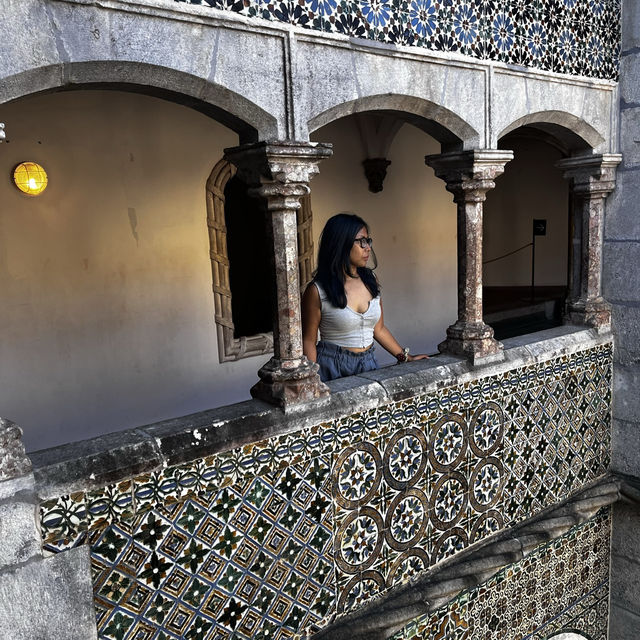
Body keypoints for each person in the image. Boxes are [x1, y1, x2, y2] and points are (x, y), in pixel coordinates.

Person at [302, 212, 429, 382]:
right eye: (361, 241)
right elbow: (308, 340)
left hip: (368, 363)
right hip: (332, 367)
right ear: (341, 243)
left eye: (368, 241)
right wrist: (313, 381)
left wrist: (406, 357)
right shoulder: (317, 290)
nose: (367, 247)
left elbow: (379, 329)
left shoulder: (371, 280)